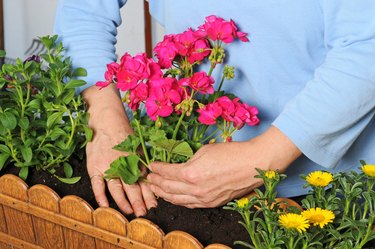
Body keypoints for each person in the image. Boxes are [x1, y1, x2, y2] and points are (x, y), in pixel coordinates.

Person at [54, 0, 375, 217]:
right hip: (182, 167)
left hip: (328, 188)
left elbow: (366, 46)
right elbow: (84, 8)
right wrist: (105, 119)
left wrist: (261, 158)